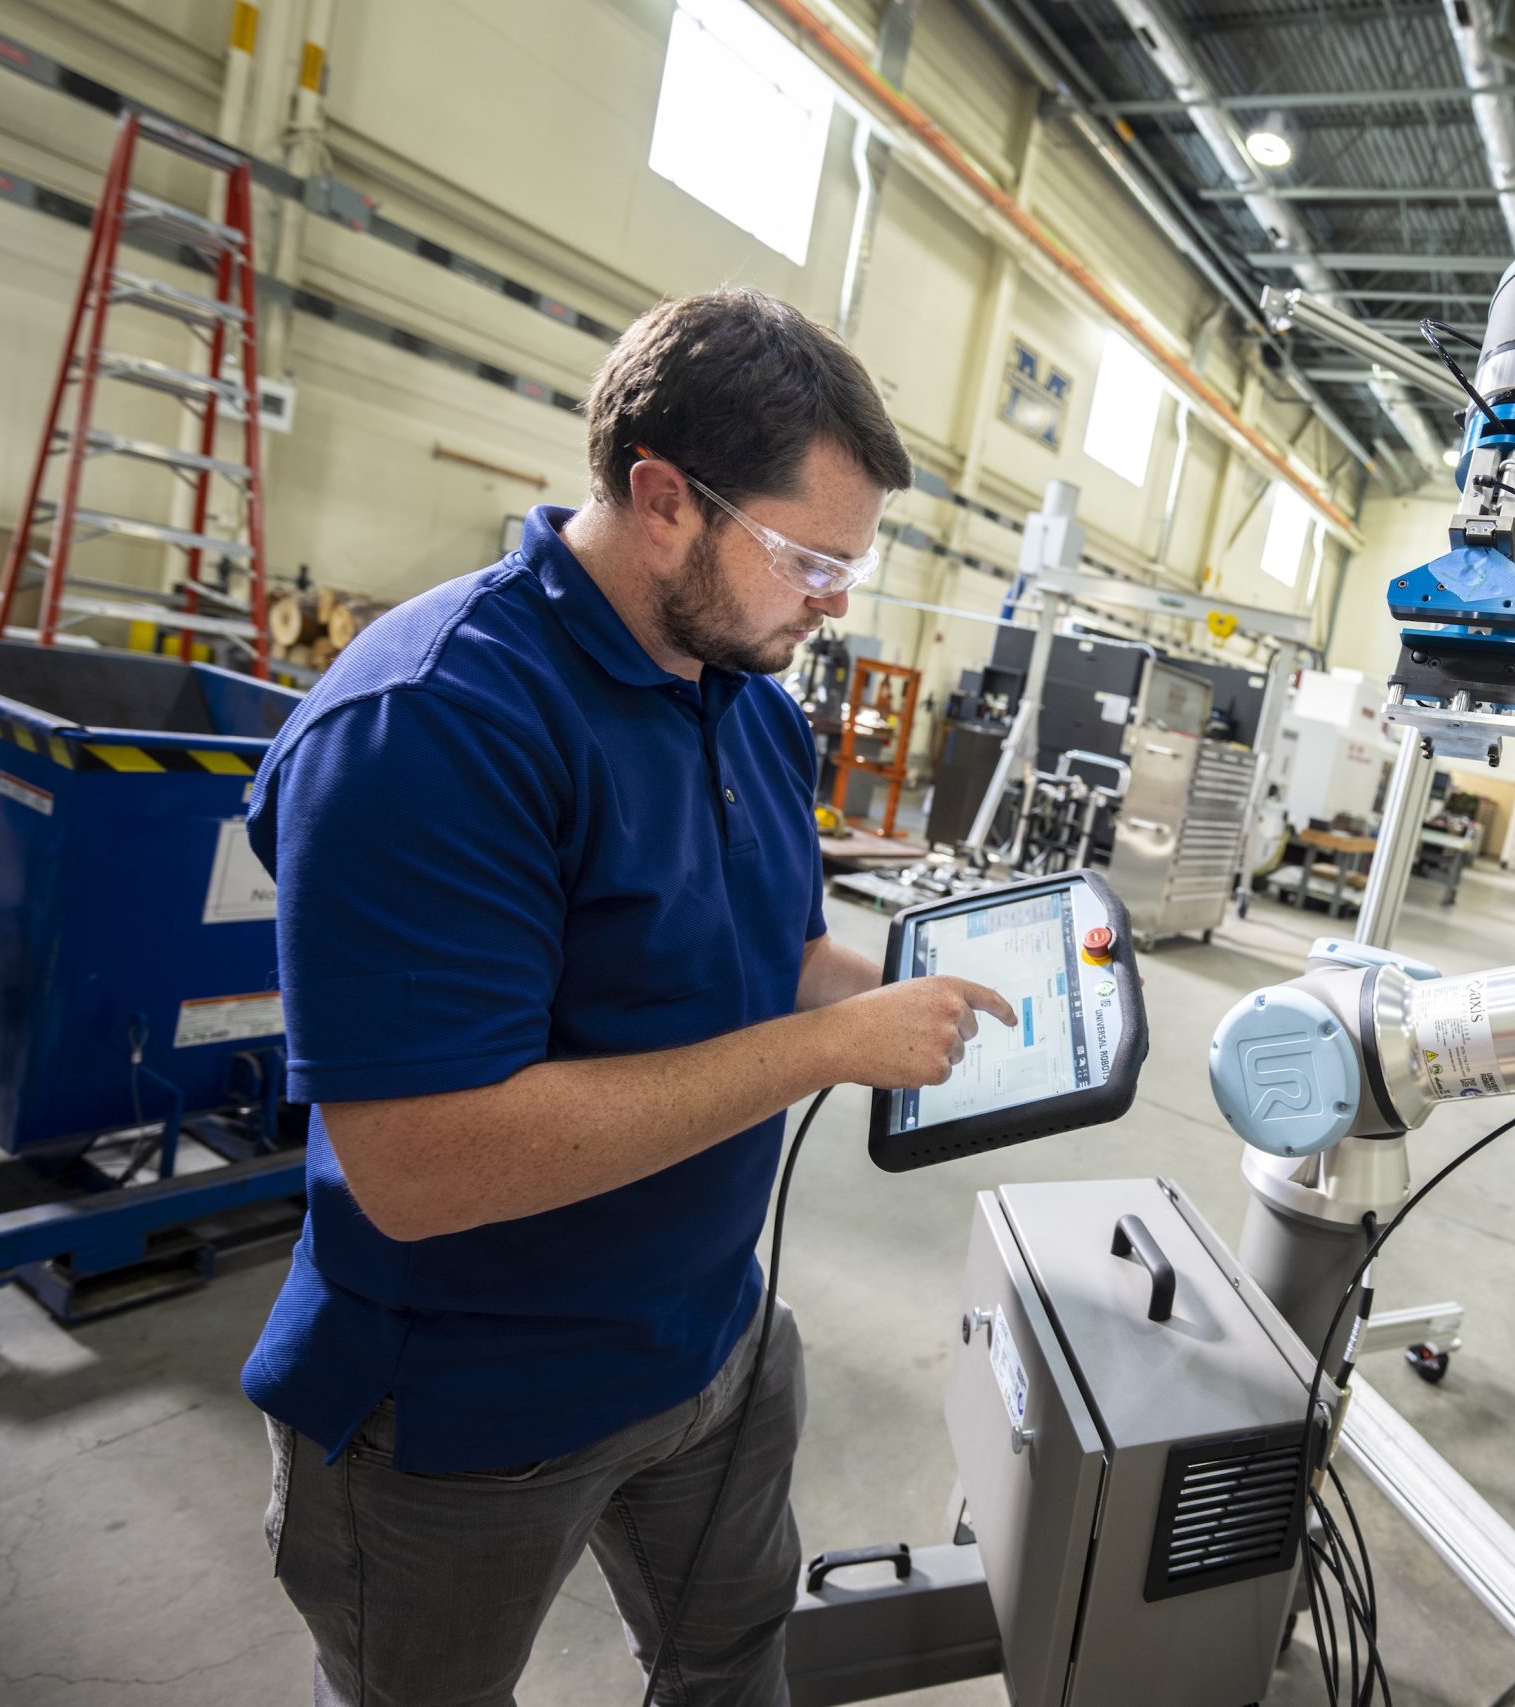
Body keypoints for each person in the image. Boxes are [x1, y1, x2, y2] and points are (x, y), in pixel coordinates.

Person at [244, 287, 1013, 1707]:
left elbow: (768, 957)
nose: (831, 600)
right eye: (805, 557)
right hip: (470, 1411)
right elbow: (418, 1162)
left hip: (709, 1353)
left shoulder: (746, 700)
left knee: (730, 1664)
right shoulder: (434, 724)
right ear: (662, 499)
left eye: (853, 566)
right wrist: (826, 1049)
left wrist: (926, 995)